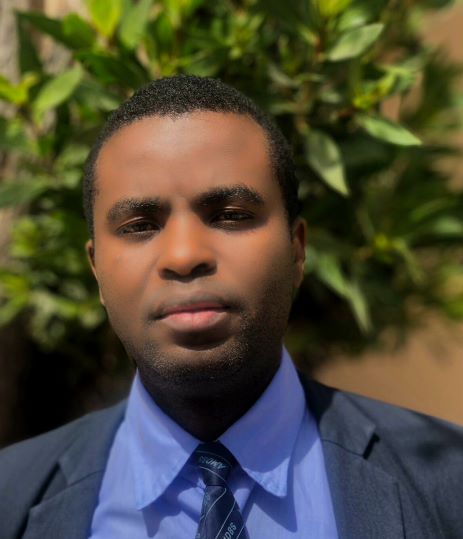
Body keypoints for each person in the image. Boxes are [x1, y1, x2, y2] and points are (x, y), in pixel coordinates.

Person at [0, 75, 462, 539]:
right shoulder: (11, 495)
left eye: (231, 216)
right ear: (96, 268)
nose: (184, 255)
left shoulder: (448, 480)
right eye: (140, 225)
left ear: (297, 250)